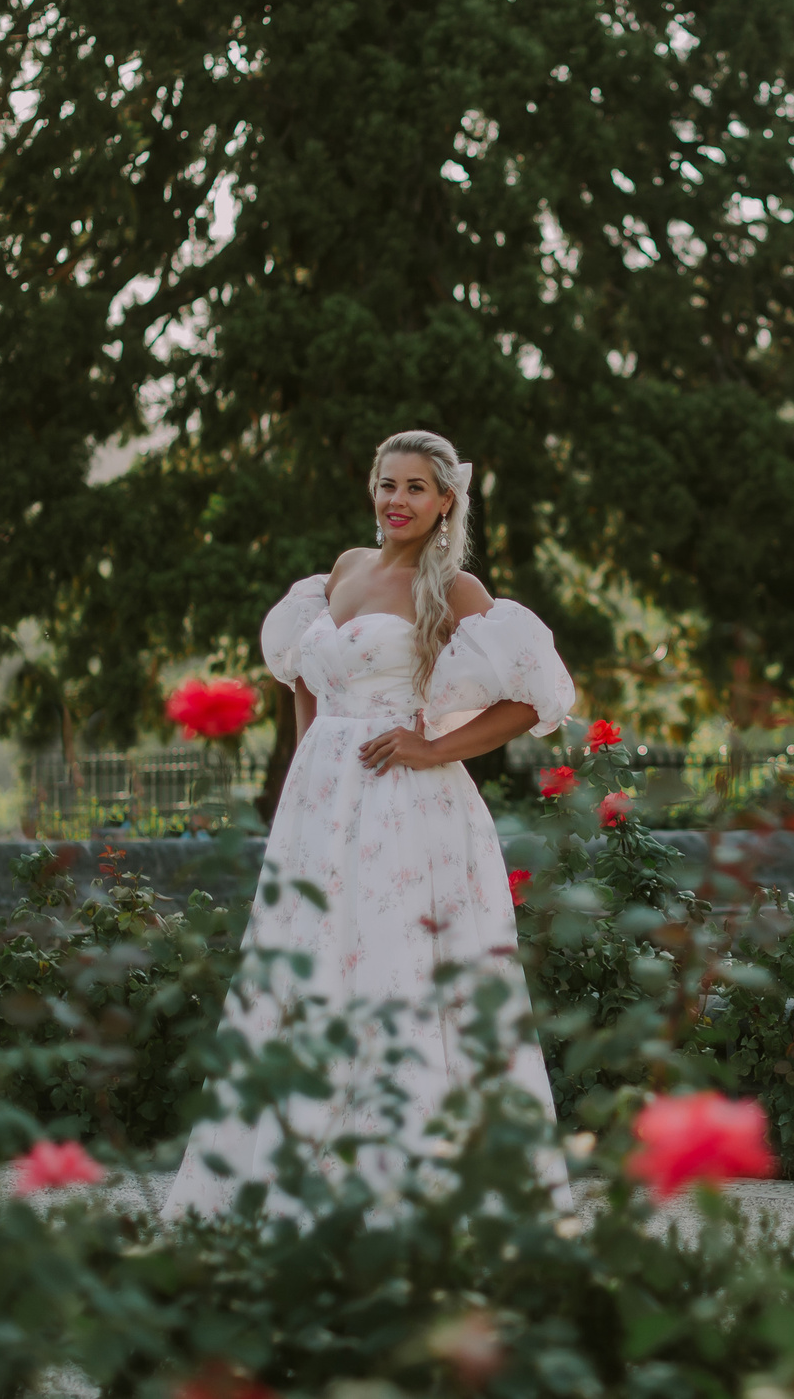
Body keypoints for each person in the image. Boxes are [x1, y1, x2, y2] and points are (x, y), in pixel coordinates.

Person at [165, 428, 576, 1218]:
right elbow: (302, 674)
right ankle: (287, 1177)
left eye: (417, 487)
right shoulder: (342, 572)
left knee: (397, 972)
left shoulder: (454, 588)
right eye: (388, 484)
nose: (398, 500)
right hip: (321, 807)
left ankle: (408, 1195)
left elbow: (535, 697)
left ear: (446, 500)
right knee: (308, 970)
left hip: (407, 808)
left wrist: (435, 746)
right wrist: (311, 763)